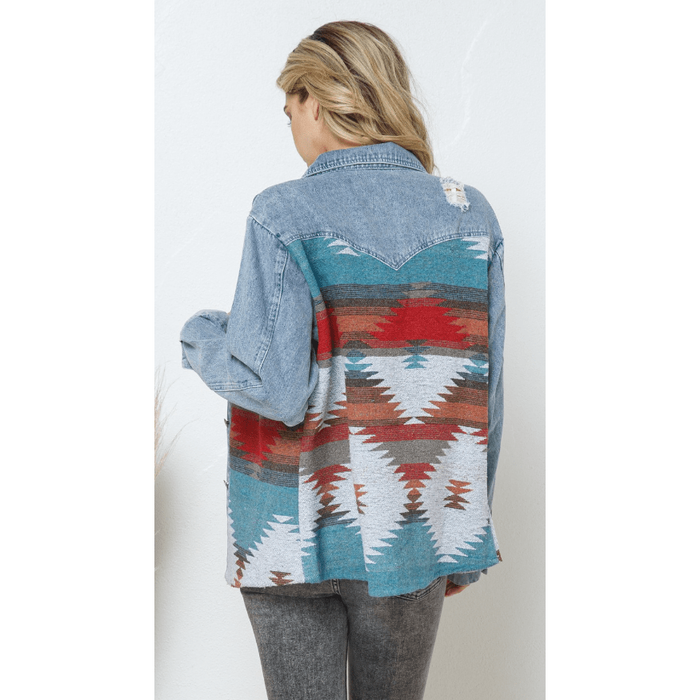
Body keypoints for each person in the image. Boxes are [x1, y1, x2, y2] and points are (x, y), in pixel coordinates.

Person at [180, 20, 506, 700]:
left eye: (290, 109)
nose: (291, 128)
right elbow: (487, 394)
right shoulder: (471, 217)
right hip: (415, 520)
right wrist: (462, 533)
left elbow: (275, 386)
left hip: (291, 526)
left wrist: (203, 337)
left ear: (317, 101)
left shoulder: (282, 213)